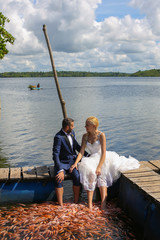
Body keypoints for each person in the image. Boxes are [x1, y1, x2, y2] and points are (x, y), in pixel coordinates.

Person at [70, 116, 140, 210]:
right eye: (86, 125)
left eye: (87, 125)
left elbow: (103, 153)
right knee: (89, 173)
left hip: (103, 158)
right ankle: (90, 204)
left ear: (93, 126)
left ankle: (103, 204)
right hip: (92, 158)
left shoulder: (101, 135)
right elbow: (81, 152)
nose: (85, 127)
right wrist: (75, 163)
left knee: (102, 176)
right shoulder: (85, 136)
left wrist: (99, 167)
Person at [53, 117, 89, 207]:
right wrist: (60, 169)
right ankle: (60, 205)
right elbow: (55, 155)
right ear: (67, 127)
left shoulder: (72, 133)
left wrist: (87, 155)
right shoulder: (58, 137)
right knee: (58, 179)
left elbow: (76, 145)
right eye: (72, 126)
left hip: (72, 162)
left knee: (77, 177)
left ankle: (75, 202)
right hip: (61, 162)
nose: (74, 127)